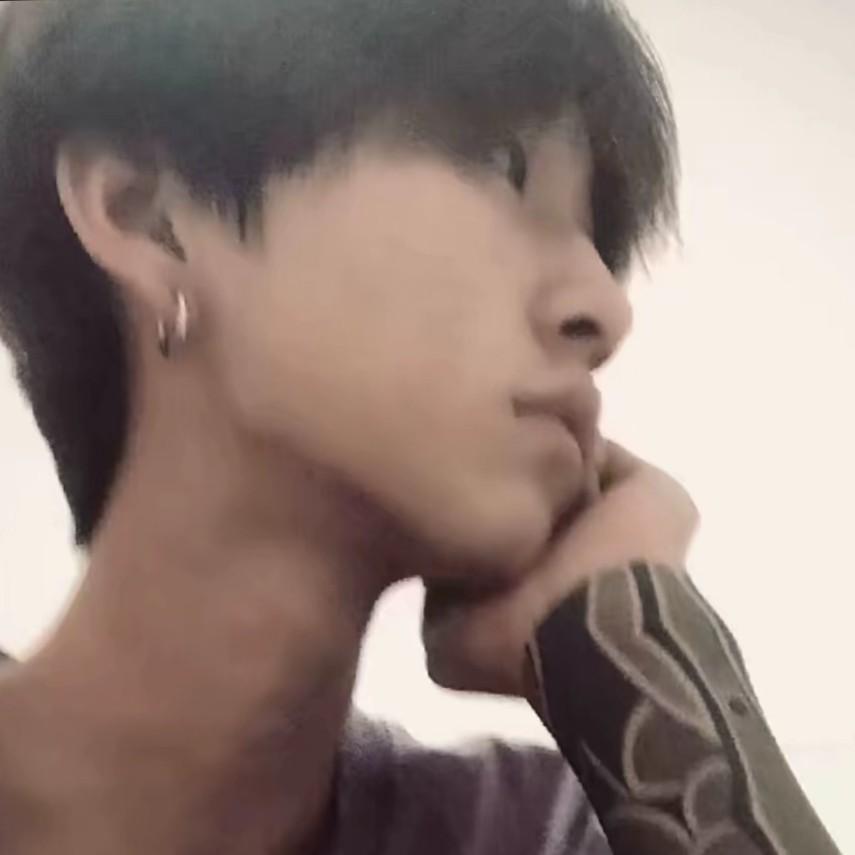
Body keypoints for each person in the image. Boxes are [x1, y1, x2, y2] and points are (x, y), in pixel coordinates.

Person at [0, 1, 841, 854]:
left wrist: (623, 636)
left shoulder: (535, 834)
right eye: (501, 166)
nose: (604, 309)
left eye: (596, 237)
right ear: (149, 216)